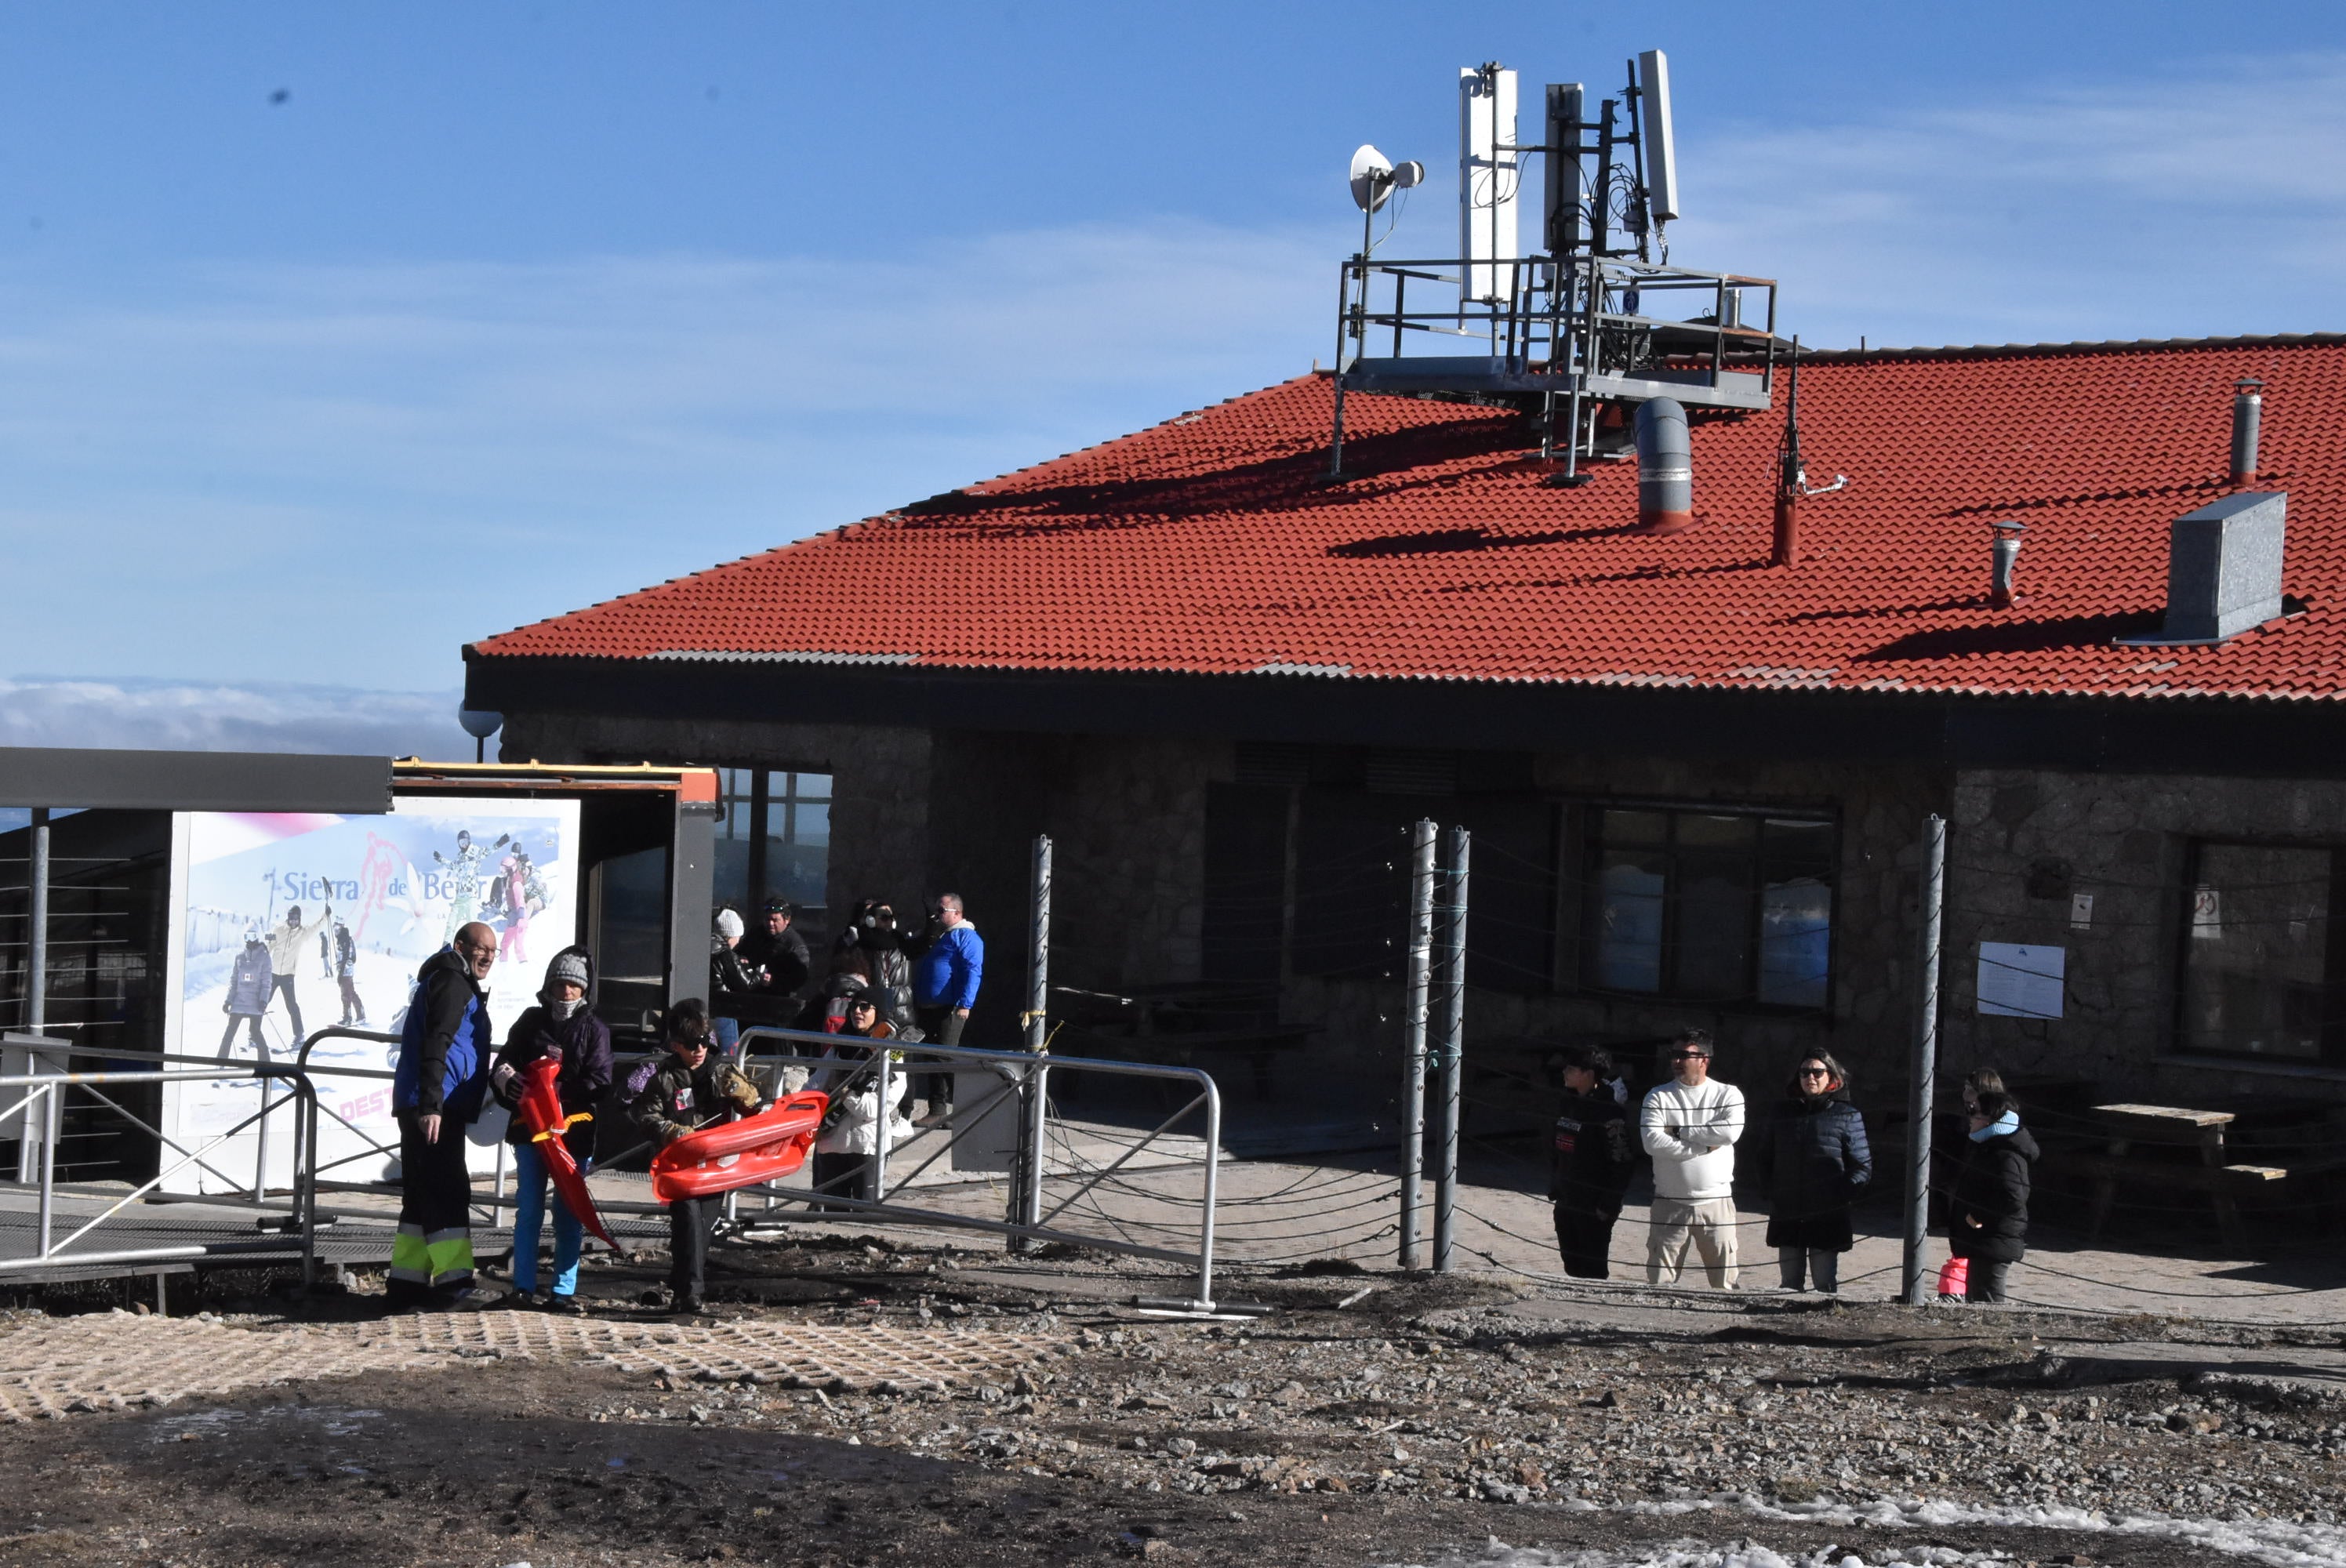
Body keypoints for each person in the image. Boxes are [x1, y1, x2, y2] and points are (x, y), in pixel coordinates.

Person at [489, 947, 612, 1313]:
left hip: (573, 1135)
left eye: (574, 985)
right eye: (560, 984)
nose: (566, 992)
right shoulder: (530, 1021)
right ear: (548, 986)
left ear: (584, 989)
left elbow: (602, 1081)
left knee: (569, 1212)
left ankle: (563, 1291)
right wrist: (508, 1082)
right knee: (528, 1210)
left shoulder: (596, 1029)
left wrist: (557, 1091)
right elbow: (503, 1061)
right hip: (529, 1131)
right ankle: (523, 1287)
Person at [387, 921, 500, 1310]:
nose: (487, 955)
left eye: (493, 950)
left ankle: (406, 1285)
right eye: (480, 947)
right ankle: (456, 1286)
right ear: (461, 946)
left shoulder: (446, 979)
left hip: (425, 1103)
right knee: (448, 1192)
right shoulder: (453, 983)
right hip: (436, 1107)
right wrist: (432, 1105)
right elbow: (438, 1042)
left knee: (420, 1197)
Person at [628, 999, 762, 1316]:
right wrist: (673, 1132)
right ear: (676, 1045)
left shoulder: (723, 1069)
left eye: (703, 1041)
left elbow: (755, 1108)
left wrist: (747, 1094)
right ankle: (691, 1294)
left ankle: (681, 1286)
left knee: (702, 1226)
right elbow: (645, 1115)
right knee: (687, 1219)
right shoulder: (664, 1077)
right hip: (680, 1165)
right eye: (691, 1044)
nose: (699, 1049)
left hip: (717, 1164)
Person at [1755, 1052, 1872, 1294]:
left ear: (1831, 1077)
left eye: (1817, 1072)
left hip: (1826, 1214)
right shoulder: (1782, 1112)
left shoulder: (1847, 1114)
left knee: (1824, 1284)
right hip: (1788, 1210)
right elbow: (1764, 1156)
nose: (1810, 1077)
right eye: (1805, 1072)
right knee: (1788, 1285)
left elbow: (1862, 1166)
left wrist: (1839, 1195)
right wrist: (1771, 1191)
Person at [1640, 1029, 1745, 1290]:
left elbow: (1729, 1132)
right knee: (1659, 1283)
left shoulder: (1727, 1094)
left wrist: (1679, 1132)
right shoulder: (1658, 1096)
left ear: (1704, 1059)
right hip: (1669, 1202)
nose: (1676, 1061)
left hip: (1716, 1203)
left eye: (1683, 1055)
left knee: (1725, 1285)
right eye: (1673, 1055)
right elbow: (1652, 1142)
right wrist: (1706, 1147)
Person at [810, 987, 914, 1211]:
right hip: (831, 1142)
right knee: (828, 1215)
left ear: (880, 1013)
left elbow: (875, 1109)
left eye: (865, 1007)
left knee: (865, 1214)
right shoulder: (839, 1048)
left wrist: (846, 1094)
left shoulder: (892, 1055)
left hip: (868, 1144)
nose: (857, 1011)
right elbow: (815, 1084)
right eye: (854, 1006)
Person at [1548, 1044, 1636, 1279]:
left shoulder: (1609, 1112)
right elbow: (1557, 1148)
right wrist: (1556, 1184)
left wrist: (1608, 1204)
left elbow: (1623, 1161)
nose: (1565, 1072)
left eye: (1571, 1068)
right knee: (1572, 1264)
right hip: (1567, 1199)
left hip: (1594, 1206)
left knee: (1593, 1269)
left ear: (1588, 1074)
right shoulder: (1568, 1102)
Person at [1951, 1089, 2038, 1305]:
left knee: (1989, 1302)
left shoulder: (2005, 1154)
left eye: (1975, 1111)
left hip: (1995, 1239)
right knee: (1978, 1298)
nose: (1970, 1117)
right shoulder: (1989, 1148)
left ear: (1991, 1118)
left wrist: (1977, 1217)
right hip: (1986, 1240)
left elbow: (2013, 1198)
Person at [910, 891, 983, 1124]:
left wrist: (965, 1003)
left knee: (945, 1057)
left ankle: (966, 1108)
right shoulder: (941, 935)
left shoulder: (967, 937)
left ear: (957, 913)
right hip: (930, 1006)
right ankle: (938, 1110)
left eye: (942, 911)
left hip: (950, 1008)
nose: (937, 915)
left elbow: (973, 971)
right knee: (933, 1057)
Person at [261, 901, 335, 1049]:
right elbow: (268, 945)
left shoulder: (302, 933)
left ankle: (299, 1035)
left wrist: (325, 916)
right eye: (292, 918)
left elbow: (316, 927)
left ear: (299, 919)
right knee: (262, 1002)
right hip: (273, 973)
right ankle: (253, 1032)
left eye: (296, 918)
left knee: (292, 1005)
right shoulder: (278, 929)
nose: (294, 921)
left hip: (288, 975)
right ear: (288, 918)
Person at [739, 897, 812, 1007]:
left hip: (778, 1003)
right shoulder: (756, 934)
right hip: (751, 998)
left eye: (775, 920)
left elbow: (799, 979)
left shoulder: (795, 946)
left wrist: (773, 981)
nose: (770, 924)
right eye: (767, 919)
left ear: (787, 920)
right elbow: (741, 952)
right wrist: (743, 960)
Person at [219, 929, 274, 1060]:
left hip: (255, 1003)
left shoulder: (264, 957)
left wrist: (263, 1000)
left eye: (253, 936)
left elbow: (266, 982)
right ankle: (219, 1062)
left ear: (258, 937)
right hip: (239, 1001)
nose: (250, 940)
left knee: (255, 1032)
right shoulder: (240, 957)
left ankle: (265, 1065)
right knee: (229, 1033)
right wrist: (228, 1001)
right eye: (247, 936)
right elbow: (234, 981)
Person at [333, 920, 365, 1026]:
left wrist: (341, 972)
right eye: (334, 928)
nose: (335, 931)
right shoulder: (346, 938)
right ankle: (360, 1015)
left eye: (337, 928)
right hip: (347, 970)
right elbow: (352, 956)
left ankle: (347, 1018)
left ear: (342, 927)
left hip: (345, 971)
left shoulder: (345, 939)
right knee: (351, 993)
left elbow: (347, 956)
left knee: (346, 995)